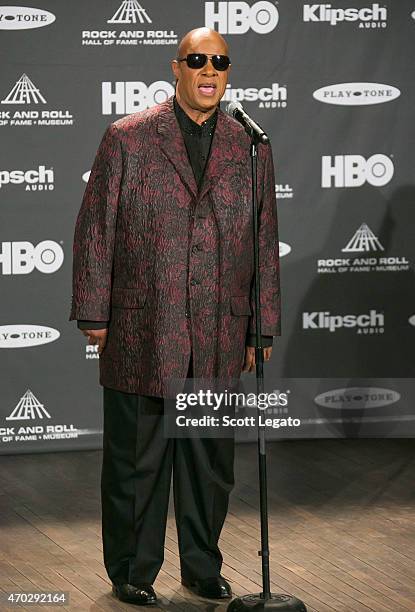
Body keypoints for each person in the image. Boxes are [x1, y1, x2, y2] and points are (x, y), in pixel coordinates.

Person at [70, 27, 280, 606]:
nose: (210, 70)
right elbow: (95, 230)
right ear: (177, 67)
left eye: (220, 61)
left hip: (218, 332)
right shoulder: (129, 138)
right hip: (142, 327)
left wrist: (260, 323)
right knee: (136, 467)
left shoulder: (251, 145)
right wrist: (93, 310)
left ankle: (202, 567)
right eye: (198, 60)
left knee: (208, 467)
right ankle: (132, 572)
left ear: (228, 72)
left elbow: (264, 239)